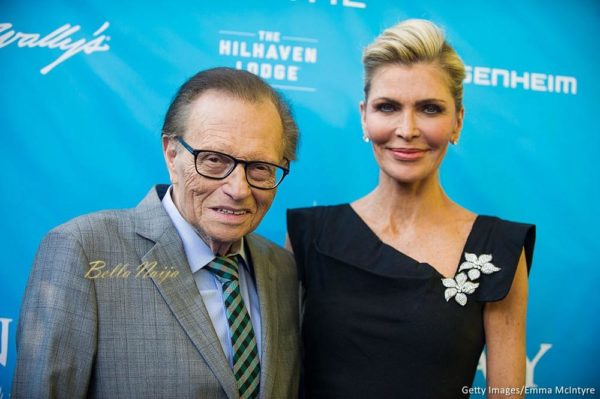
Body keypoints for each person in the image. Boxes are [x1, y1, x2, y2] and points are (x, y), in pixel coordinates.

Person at [13, 67, 300, 399]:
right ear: (171, 153)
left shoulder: (282, 268)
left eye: (260, 167)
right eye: (214, 160)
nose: (237, 189)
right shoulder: (81, 250)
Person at [287, 19, 535, 398]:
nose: (407, 129)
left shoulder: (497, 247)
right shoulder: (309, 236)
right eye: (387, 107)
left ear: (458, 122)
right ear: (364, 117)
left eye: (430, 109)